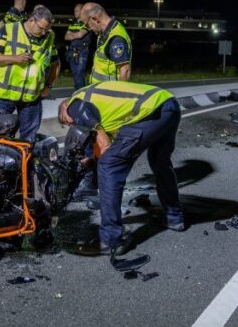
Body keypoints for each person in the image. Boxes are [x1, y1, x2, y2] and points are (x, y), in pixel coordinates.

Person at [58, 81, 185, 256]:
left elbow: (103, 141)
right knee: (160, 161)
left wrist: (101, 160)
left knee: (109, 166)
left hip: (149, 112)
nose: (71, 126)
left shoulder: (74, 106)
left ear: (64, 110)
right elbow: (100, 144)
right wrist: (90, 158)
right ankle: (174, 217)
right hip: (168, 105)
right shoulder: (97, 103)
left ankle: (111, 240)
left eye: (66, 123)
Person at [0, 5, 60, 142]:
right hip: (3, 96)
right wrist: (15, 58)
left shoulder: (49, 36)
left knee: (29, 141)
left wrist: (48, 86)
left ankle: (24, 163)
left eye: (47, 29)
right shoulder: (9, 30)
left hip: (31, 98)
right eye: (41, 28)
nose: (44, 33)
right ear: (32, 20)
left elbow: (56, 63)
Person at [79, 2, 132, 83]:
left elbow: (125, 70)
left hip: (109, 93)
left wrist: (119, 94)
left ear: (95, 19)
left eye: (87, 25)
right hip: (101, 91)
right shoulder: (104, 33)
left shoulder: (116, 38)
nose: (88, 28)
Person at [64, 3, 93, 89]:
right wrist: (75, 35)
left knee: (79, 73)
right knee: (75, 73)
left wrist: (72, 35)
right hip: (72, 51)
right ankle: (79, 91)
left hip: (82, 51)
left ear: (82, 11)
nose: (74, 12)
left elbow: (80, 35)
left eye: (76, 10)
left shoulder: (87, 22)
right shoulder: (73, 23)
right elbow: (66, 37)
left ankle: (80, 93)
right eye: (74, 11)